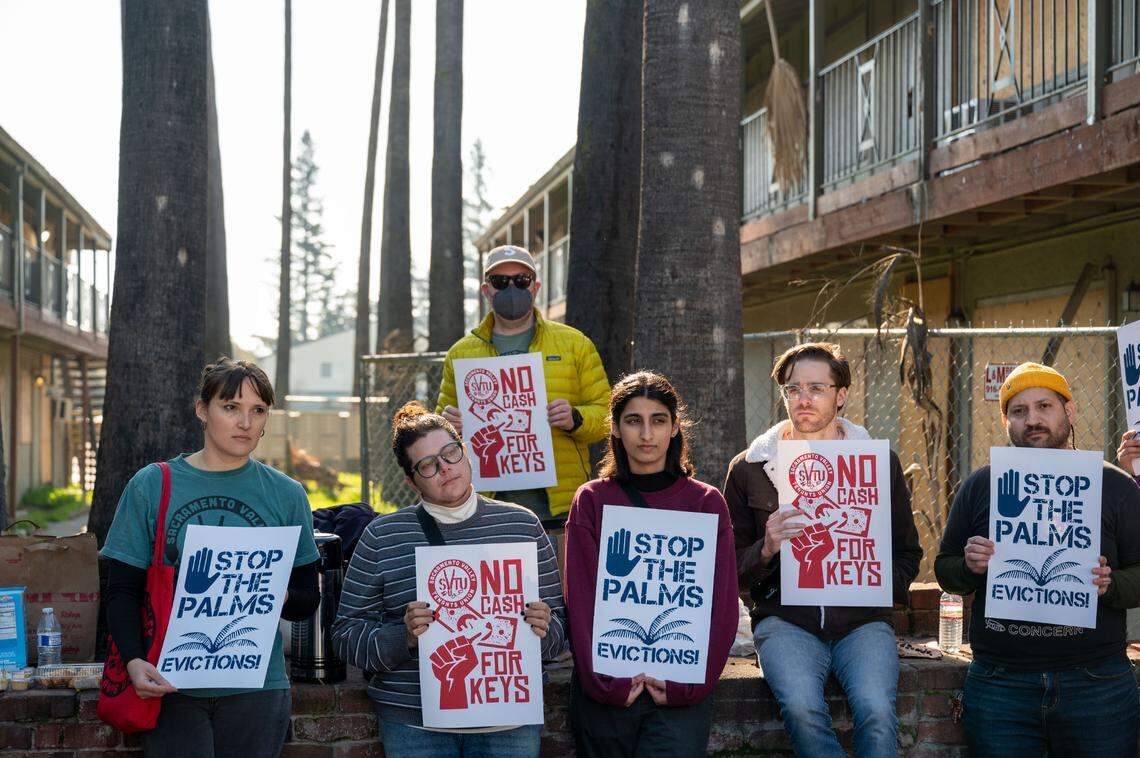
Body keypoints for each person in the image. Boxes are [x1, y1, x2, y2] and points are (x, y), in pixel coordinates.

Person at [100, 358, 321, 758]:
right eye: (231, 407)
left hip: (258, 687)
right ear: (203, 410)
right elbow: (121, 590)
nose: (245, 423)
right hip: (169, 682)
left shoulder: (288, 494)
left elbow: (308, 598)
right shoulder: (152, 485)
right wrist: (133, 661)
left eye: (258, 411)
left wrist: (276, 594)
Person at [331, 402, 566, 757]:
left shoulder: (523, 525)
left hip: (509, 723)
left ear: (466, 452)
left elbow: (560, 633)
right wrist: (404, 637)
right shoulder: (383, 535)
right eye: (427, 465)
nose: (444, 468)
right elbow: (345, 636)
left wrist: (543, 628)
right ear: (411, 480)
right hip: (415, 723)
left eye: (450, 453)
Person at [723, 342, 922, 758]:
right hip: (785, 620)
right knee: (800, 709)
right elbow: (729, 569)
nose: (803, 399)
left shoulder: (878, 463)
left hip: (863, 622)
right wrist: (767, 547)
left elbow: (907, 552)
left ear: (841, 394)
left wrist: (875, 588)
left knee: (877, 712)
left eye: (816, 388)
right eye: (793, 389)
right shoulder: (750, 468)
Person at [936, 361, 1140, 756]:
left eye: (1045, 406)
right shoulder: (981, 485)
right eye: (1019, 411)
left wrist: (1110, 584)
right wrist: (968, 566)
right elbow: (945, 569)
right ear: (1006, 423)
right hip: (1000, 684)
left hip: (1096, 682)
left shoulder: (1113, 485)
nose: (1033, 420)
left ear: (1070, 412)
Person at [564, 371, 737, 757]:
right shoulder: (592, 500)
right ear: (614, 427)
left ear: (675, 427)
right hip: (606, 690)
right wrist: (605, 683)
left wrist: (686, 687)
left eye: (658, 420)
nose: (646, 434)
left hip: (677, 690)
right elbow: (581, 598)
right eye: (633, 420)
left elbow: (720, 606)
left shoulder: (706, 503)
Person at [436, 244, 610, 525]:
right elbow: (438, 435)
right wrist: (448, 427)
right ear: (486, 291)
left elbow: (607, 415)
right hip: (485, 508)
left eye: (521, 280)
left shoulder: (575, 344)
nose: (511, 289)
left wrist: (575, 417)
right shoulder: (461, 353)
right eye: (500, 282)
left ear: (536, 287)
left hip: (560, 509)